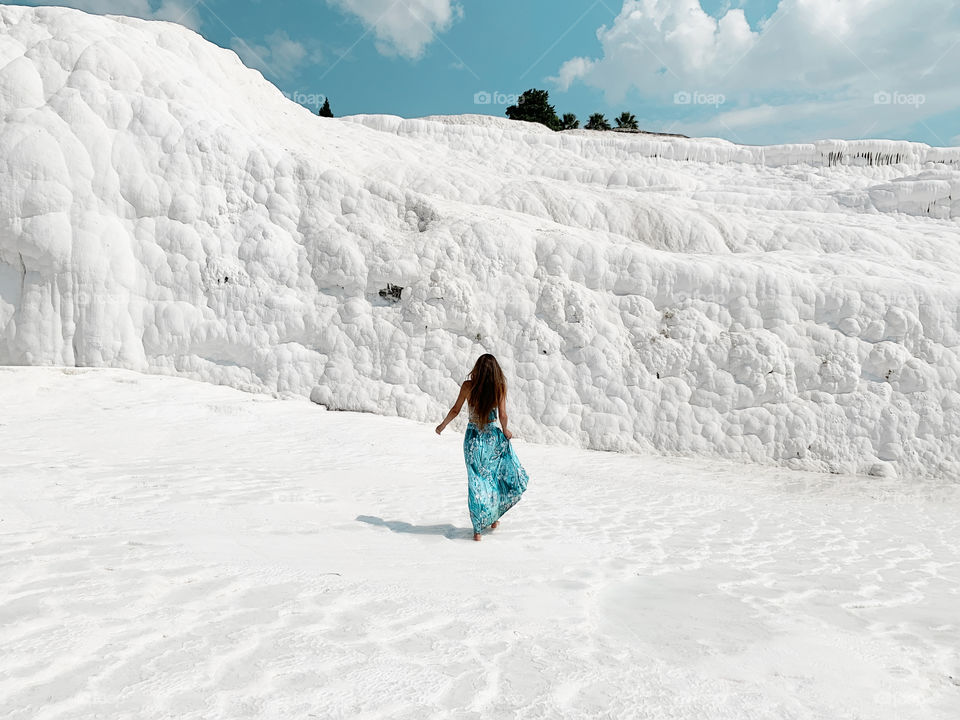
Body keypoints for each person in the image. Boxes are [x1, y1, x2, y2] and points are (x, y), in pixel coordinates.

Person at [436, 354, 529, 541]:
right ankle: (493, 520)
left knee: (476, 482)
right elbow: (503, 415)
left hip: (472, 439)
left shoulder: (468, 386)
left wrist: (443, 425)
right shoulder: (499, 387)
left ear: (477, 368)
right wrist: (505, 430)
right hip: (492, 438)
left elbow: (455, 410)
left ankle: (477, 530)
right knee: (493, 479)